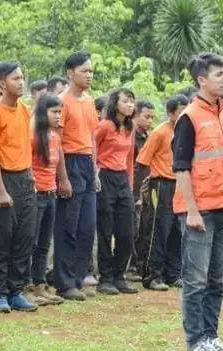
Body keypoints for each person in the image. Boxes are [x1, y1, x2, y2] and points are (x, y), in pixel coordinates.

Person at [172, 52, 223, 351]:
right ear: (202, 80)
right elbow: (182, 168)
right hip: (200, 212)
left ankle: (212, 336)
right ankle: (196, 340)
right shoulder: (189, 118)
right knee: (196, 282)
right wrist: (191, 210)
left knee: (218, 280)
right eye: (218, 74)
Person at [0, 61, 38, 313]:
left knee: (24, 237)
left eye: (23, 77)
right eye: (16, 78)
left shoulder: (24, 110)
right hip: (2, 179)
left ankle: (16, 290)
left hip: (25, 179)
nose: (21, 82)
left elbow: (25, 147)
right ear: (2, 83)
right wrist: (1, 190)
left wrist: (31, 177)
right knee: (0, 237)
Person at [53, 51, 99, 301]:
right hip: (69, 162)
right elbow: (57, 142)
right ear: (70, 73)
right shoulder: (62, 101)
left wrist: (95, 168)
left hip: (87, 164)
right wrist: (63, 177)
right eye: (84, 71)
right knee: (67, 226)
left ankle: (79, 278)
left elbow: (91, 136)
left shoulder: (89, 101)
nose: (89, 75)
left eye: (91, 71)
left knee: (87, 226)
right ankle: (64, 281)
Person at [138, 94, 189, 291]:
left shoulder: (186, 132)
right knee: (159, 229)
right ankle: (152, 274)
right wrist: (139, 191)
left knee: (177, 230)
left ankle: (173, 273)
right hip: (161, 185)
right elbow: (142, 162)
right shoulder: (160, 133)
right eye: (180, 112)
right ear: (170, 113)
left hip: (180, 184)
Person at [94, 88, 139, 295]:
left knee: (126, 231)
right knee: (105, 229)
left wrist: (129, 185)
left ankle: (119, 275)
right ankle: (106, 278)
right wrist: (94, 175)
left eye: (132, 101)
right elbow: (92, 147)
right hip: (105, 177)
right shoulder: (105, 126)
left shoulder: (130, 128)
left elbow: (130, 159)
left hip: (122, 179)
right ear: (115, 103)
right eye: (126, 101)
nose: (130, 105)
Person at [27, 94, 71, 305]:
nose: (58, 116)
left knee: (44, 244)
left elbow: (59, 159)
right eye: (54, 112)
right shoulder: (33, 136)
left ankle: (40, 284)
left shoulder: (54, 136)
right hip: (35, 194)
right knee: (30, 242)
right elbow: (26, 163)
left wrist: (64, 181)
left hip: (51, 193)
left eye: (60, 112)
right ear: (43, 113)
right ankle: (25, 286)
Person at [129, 100, 155, 283]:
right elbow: (134, 168)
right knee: (132, 230)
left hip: (147, 190)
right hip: (132, 189)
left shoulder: (149, 137)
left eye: (152, 117)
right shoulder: (130, 137)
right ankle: (130, 267)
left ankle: (140, 266)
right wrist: (135, 193)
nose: (150, 121)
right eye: (146, 117)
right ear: (136, 115)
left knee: (145, 228)